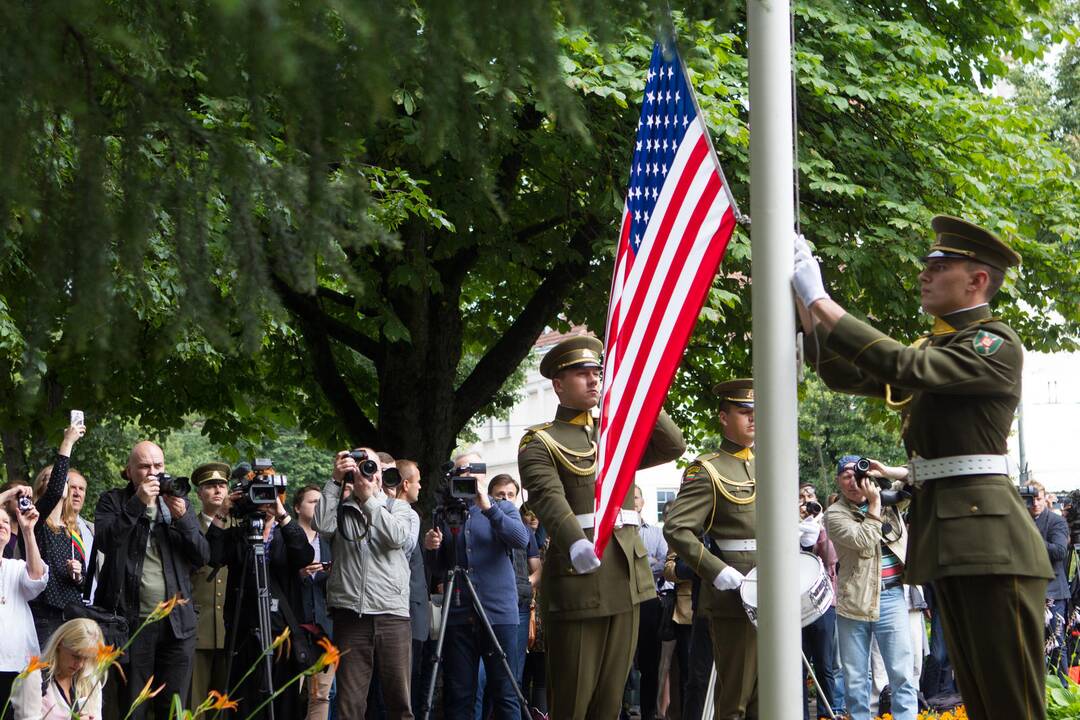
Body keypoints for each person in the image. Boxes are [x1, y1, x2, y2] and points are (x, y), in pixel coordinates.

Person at [793, 216, 1053, 720]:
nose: (924, 273)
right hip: (957, 539)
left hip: (991, 543)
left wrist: (824, 302)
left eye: (939, 265)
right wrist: (806, 310)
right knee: (981, 698)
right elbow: (851, 372)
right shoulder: (934, 347)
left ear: (977, 280)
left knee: (1012, 703)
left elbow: (904, 368)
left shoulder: (994, 344)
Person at [518, 335, 686, 719]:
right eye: (583, 374)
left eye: (598, 372)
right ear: (558, 385)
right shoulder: (541, 441)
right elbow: (547, 496)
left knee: (611, 702)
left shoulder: (616, 434)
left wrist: (632, 390)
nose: (594, 380)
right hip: (581, 580)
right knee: (574, 700)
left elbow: (672, 445)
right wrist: (576, 542)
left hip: (627, 579)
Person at [664, 378, 760, 720]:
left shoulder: (770, 462)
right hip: (735, 593)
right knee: (735, 697)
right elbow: (677, 527)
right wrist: (716, 570)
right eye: (744, 411)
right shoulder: (707, 469)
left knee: (769, 696)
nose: (754, 418)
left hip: (773, 589)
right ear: (723, 417)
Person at [92, 441, 209, 719]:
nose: (152, 473)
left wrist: (184, 519)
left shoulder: (177, 501)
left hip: (177, 625)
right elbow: (106, 542)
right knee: (133, 707)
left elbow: (202, 556)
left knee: (173, 707)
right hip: (131, 624)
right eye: (145, 466)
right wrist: (137, 504)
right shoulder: (114, 501)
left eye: (158, 466)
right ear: (130, 471)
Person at [207, 465, 314, 718]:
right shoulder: (238, 534)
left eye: (270, 494)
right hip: (244, 630)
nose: (264, 500)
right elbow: (212, 556)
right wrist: (222, 512)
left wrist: (282, 515)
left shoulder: (284, 534)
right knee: (245, 698)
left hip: (281, 631)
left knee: (283, 700)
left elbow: (304, 555)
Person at [316, 447, 414, 719]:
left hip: (391, 614)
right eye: (359, 467)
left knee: (399, 702)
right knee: (349, 704)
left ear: (382, 473)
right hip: (351, 615)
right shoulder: (340, 508)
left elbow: (396, 537)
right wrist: (335, 481)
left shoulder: (400, 507)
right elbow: (322, 527)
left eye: (370, 466)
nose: (365, 473)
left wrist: (369, 499)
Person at [424, 467, 529, 720]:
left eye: (473, 473)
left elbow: (520, 539)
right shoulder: (445, 513)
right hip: (459, 613)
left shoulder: (502, 507)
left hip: (498, 614)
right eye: (461, 473)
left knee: (505, 691)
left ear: (483, 477)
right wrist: (431, 548)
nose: (467, 479)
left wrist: (488, 508)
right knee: (459, 694)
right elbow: (439, 567)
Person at [825, 456, 918, 720]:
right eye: (846, 476)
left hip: (891, 596)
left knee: (902, 673)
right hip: (854, 601)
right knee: (855, 679)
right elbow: (864, 540)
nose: (854, 481)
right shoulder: (835, 514)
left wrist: (886, 471)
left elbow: (919, 478)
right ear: (838, 482)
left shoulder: (890, 499)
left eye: (859, 474)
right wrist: (875, 503)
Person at [487, 473, 541, 720]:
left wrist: (524, 584)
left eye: (510, 495)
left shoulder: (524, 531)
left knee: (513, 676)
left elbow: (537, 567)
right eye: (500, 495)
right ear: (490, 496)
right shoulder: (482, 524)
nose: (506, 499)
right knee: (482, 680)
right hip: (485, 607)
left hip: (517, 607)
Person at [28, 423, 86, 648]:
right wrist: (68, 442)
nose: (60, 482)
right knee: (45, 676)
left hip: (72, 614)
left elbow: (82, 583)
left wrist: (78, 575)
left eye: (62, 478)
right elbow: (53, 493)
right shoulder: (36, 520)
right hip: (46, 614)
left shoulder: (73, 530)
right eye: (50, 478)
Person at [0, 487, 47, 720]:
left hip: (21, 664)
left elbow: (36, 579)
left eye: (6, 522)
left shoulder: (17, 567)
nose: (2, 524)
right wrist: (8, 496)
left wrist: (28, 531)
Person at [189, 462, 232, 707]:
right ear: (199, 493)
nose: (217, 490)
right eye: (210, 485)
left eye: (222, 485)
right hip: (197, 628)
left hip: (230, 629)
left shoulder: (237, 528)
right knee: (195, 703)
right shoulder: (189, 528)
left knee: (225, 704)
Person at [295, 484, 335, 720]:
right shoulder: (285, 538)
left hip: (324, 626)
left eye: (321, 502)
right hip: (294, 625)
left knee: (321, 695)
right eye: (312, 501)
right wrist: (298, 573)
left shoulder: (330, 541)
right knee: (291, 691)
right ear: (297, 507)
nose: (318, 506)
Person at [799, 484, 839, 720]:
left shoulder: (827, 525)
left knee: (825, 665)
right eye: (802, 498)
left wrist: (819, 528)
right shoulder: (790, 526)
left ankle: (827, 714)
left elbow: (831, 558)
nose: (806, 501)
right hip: (797, 604)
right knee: (798, 667)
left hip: (824, 603)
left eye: (810, 497)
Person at [1026, 479, 1070, 681]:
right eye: (1030, 499)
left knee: (1056, 646)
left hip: (1052, 593)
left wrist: (1031, 537)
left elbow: (1060, 551)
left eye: (1038, 498)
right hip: (1025, 592)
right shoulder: (1018, 521)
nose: (1035, 503)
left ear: (1045, 499)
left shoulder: (1056, 521)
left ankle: (1062, 694)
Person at [632, 484, 668, 720]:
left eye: (635, 497)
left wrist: (638, 564)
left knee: (649, 663)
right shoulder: (610, 532)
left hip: (648, 601)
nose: (632, 501)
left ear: (643, 502)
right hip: (621, 603)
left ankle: (648, 713)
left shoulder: (656, 533)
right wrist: (648, 560)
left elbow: (664, 565)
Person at [40, 618, 106, 720]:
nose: (80, 665)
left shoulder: (91, 682)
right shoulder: (36, 679)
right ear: (59, 644)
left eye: (87, 658)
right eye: (76, 656)